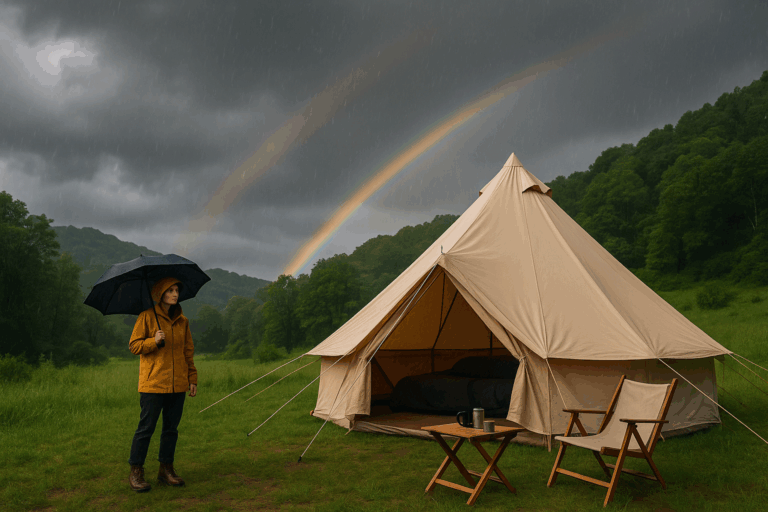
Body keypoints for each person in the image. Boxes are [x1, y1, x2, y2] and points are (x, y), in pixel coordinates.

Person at [127, 276, 198, 493]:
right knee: (146, 429)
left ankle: (166, 470)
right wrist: (153, 341)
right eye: (170, 291)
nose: (175, 294)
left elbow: (188, 352)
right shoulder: (146, 317)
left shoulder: (183, 321)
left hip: (178, 385)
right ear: (160, 294)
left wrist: (192, 378)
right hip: (153, 384)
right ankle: (136, 471)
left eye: (177, 290)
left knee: (171, 429)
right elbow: (134, 346)